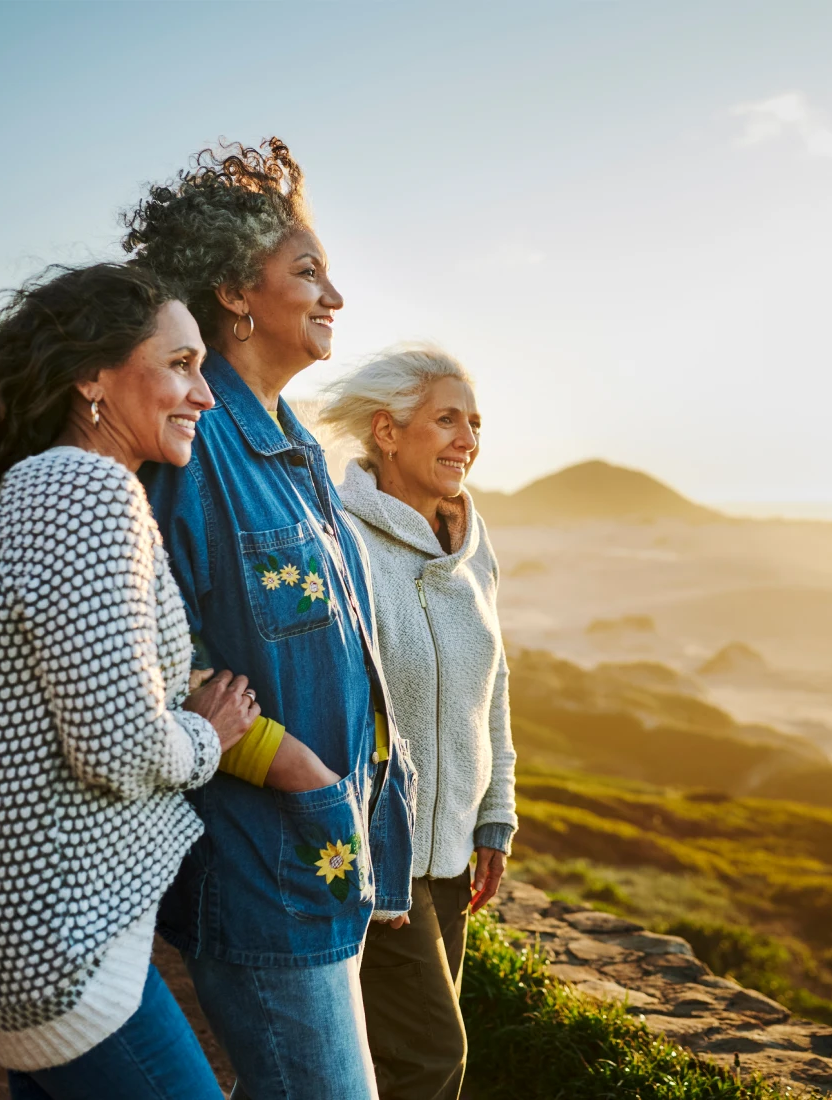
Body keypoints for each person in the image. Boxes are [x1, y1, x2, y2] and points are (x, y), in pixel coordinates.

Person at [0, 262, 260, 1099]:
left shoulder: (42, 486)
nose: (204, 396)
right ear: (92, 374)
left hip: (12, 932)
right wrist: (209, 735)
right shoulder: (83, 487)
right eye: (179, 365)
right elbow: (119, 742)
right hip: (57, 946)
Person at [122, 139, 417, 1100]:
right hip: (260, 871)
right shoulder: (195, 448)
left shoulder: (297, 451)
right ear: (235, 295)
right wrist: (302, 773)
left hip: (321, 859)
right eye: (308, 273)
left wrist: (362, 815)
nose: (335, 295)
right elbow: (168, 663)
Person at [320, 345, 518, 1100]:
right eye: (447, 419)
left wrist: (494, 817)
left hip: (452, 862)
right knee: (431, 1060)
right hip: (376, 859)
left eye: (474, 422)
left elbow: (491, 685)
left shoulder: (473, 543)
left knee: (365, 1063)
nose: (467, 438)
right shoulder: (340, 539)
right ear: (388, 431)